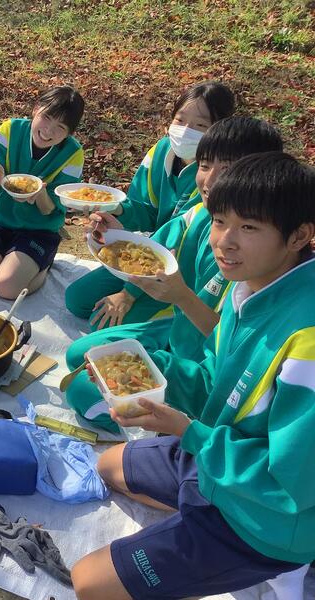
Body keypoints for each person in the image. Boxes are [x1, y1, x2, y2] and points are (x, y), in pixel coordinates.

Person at [71, 152, 315, 599]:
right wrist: (149, 370)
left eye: (249, 228)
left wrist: (190, 433)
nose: (225, 242)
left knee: (88, 583)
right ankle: (195, 509)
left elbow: (290, 482)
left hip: (268, 518)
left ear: (299, 235)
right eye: (220, 221)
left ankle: (285, 563)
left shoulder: (308, 341)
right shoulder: (248, 289)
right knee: (106, 466)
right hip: (217, 457)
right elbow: (214, 382)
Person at [64, 117, 283, 433]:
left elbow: (237, 348)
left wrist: (181, 297)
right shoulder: (199, 213)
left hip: (207, 366)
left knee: (82, 391)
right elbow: (154, 247)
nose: (211, 180)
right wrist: (118, 235)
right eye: (204, 165)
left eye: (228, 168)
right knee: (79, 354)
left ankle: (164, 428)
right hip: (177, 329)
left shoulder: (261, 257)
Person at [65, 81, 235, 329]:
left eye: (200, 125)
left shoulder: (213, 179)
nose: (185, 131)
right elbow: (143, 209)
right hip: (144, 251)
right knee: (76, 299)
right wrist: (117, 211)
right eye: (180, 120)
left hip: (179, 269)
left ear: (219, 129)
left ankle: (174, 321)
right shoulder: (162, 151)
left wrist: (128, 294)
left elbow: (180, 239)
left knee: (99, 323)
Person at [0, 86, 85, 299]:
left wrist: (40, 194)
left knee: (7, 287)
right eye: (46, 117)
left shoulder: (73, 153)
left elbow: (49, 211)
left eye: (60, 127)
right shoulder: (9, 131)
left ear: (69, 133)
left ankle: (42, 266)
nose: (48, 131)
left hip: (38, 230)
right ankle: (4, 261)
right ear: (35, 109)